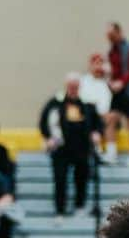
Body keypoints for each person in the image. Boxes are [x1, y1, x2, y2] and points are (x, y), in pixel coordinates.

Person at [40, 74, 102, 218]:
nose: (73, 89)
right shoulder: (56, 102)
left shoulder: (87, 103)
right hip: (61, 149)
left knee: (81, 178)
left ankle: (80, 206)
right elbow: (44, 122)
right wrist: (48, 138)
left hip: (82, 148)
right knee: (60, 179)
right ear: (66, 86)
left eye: (76, 86)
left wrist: (96, 133)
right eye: (71, 86)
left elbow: (98, 123)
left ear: (79, 87)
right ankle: (60, 210)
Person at [103, 22, 129, 167]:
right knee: (111, 119)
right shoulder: (111, 51)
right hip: (117, 92)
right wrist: (110, 81)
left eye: (112, 35)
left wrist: (121, 82)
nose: (110, 39)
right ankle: (111, 153)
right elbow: (112, 71)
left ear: (119, 32)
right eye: (108, 36)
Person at [79, 52, 113, 119]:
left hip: (102, 117)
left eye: (101, 64)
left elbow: (105, 105)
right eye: (97, 64)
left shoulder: (106, 84)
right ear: (90, 65)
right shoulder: (82, 81)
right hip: (85, 115)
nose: (99, 67)